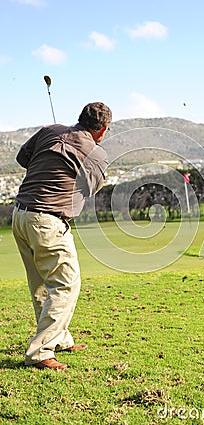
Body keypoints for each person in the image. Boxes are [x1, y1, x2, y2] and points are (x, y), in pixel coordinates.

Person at [12, 102, 112, 370]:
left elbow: (23, 159)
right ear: (102, 130)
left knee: (43, 284)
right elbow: (91, 188)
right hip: (47, 221)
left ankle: (59, 339)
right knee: (66, 283)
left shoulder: (49, 130)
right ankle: (41, 353)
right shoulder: (96, 153)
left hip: (20, 216)